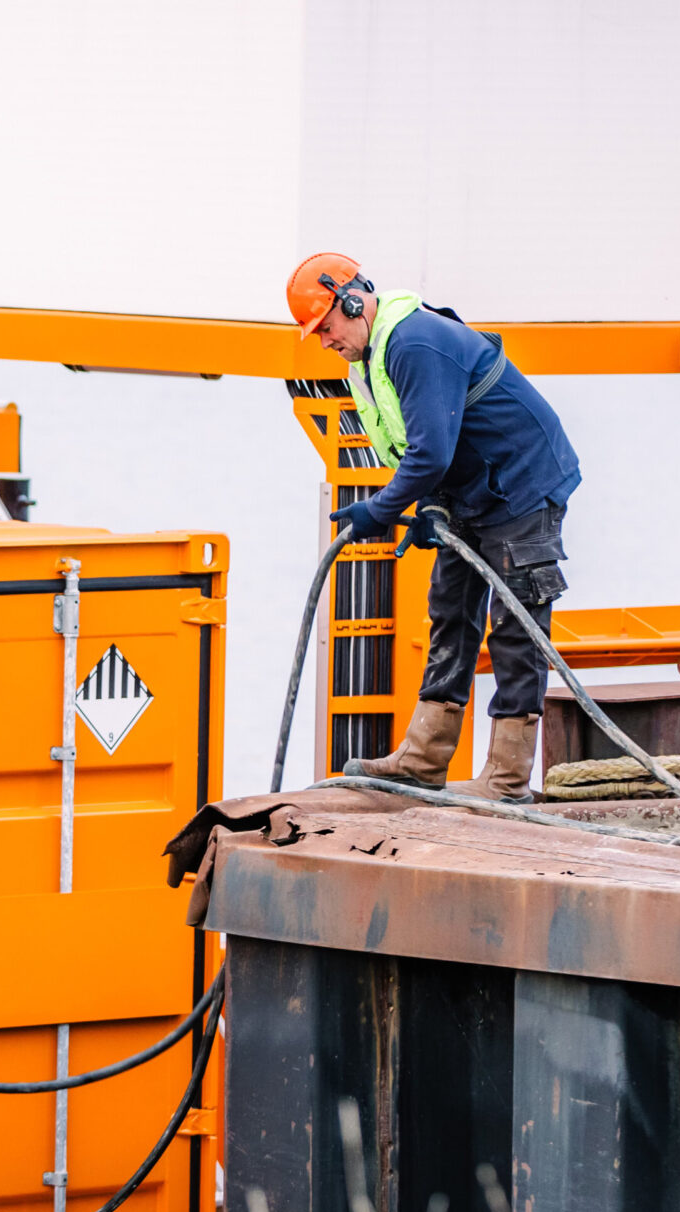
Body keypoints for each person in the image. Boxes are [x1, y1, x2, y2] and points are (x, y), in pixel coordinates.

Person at [288, 251, 583, 801]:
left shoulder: (414, 344)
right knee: (450, 609)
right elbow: (424, 444)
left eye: (326, 328)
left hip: (521, 485)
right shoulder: (371, 356)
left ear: (354, 304)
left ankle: (507, 779)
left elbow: (428, 454)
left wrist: (379, 510)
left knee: (516, 626)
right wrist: (433, 508)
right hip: (475, 491)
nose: (325, 342)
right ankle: (423, 760)